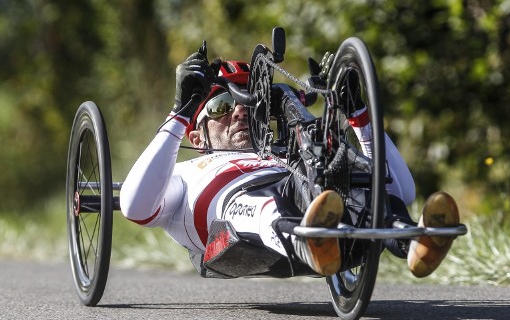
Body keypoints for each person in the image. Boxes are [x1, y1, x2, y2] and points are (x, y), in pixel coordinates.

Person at [119, 45, 460, 279]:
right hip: (240, 225)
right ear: (196, 138)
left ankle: (413, 241)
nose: (239, 111)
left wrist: (360, 117)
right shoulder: (183, 173)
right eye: (222, 105)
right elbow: (136, 207)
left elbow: (403, 189)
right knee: (257, 203)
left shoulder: (284, 154)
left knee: (353, 173)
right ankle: (311, 242)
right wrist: (179, 115)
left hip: (305, 194)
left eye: (250, 105)